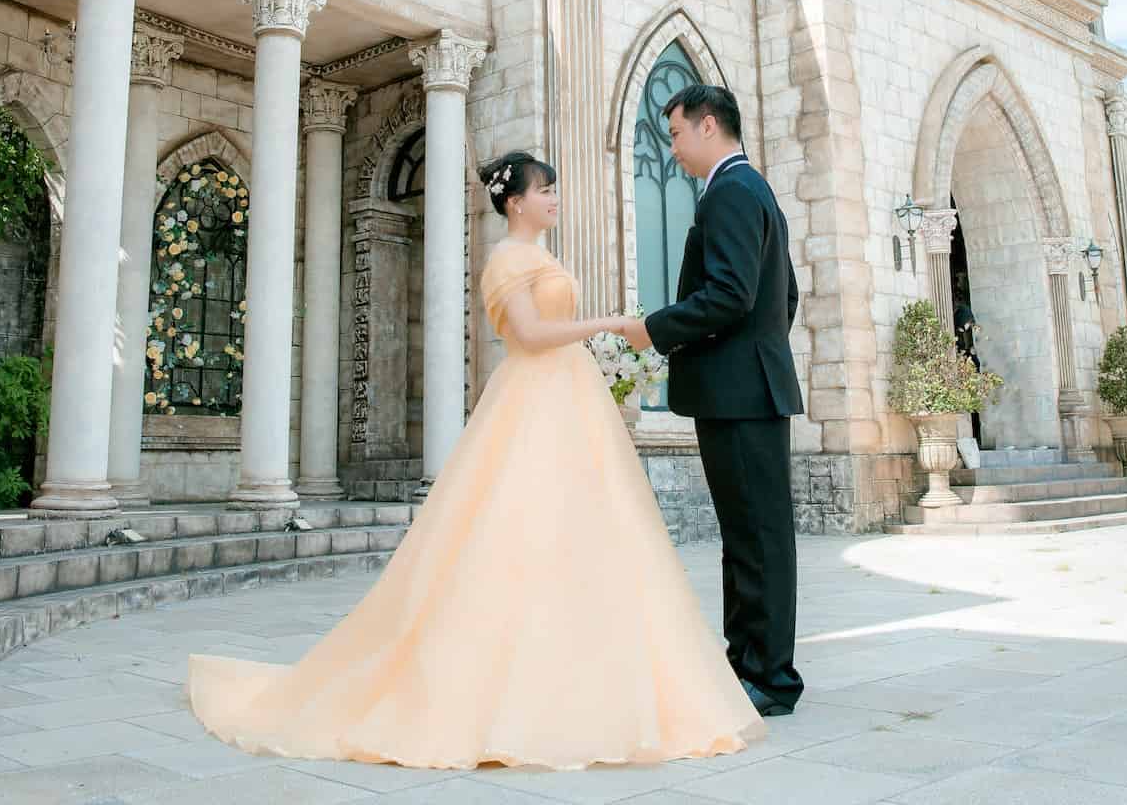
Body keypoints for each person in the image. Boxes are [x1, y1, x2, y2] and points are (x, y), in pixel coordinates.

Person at [187, 150, 762, 770]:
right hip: (532, 398)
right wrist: (610, 323)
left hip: (570, 398)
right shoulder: (507, 258)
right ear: (516, 202)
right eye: (546, 190)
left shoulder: (538, 255)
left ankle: (579, 670)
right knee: (513, 527)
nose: (554, 198)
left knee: (583, 531)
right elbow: (530, 337)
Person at [622, 84, 805, 718]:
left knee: (755, 537)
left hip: (739, 395)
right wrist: (760, 352)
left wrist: (658, 329)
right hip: (750, 387)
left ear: (706, 126)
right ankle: (751, 665)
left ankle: (768, 677)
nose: (672, 150)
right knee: (753, 535)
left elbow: (730, 293)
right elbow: (783, 298)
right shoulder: (754, 190)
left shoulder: (730, 191)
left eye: (674, 134)